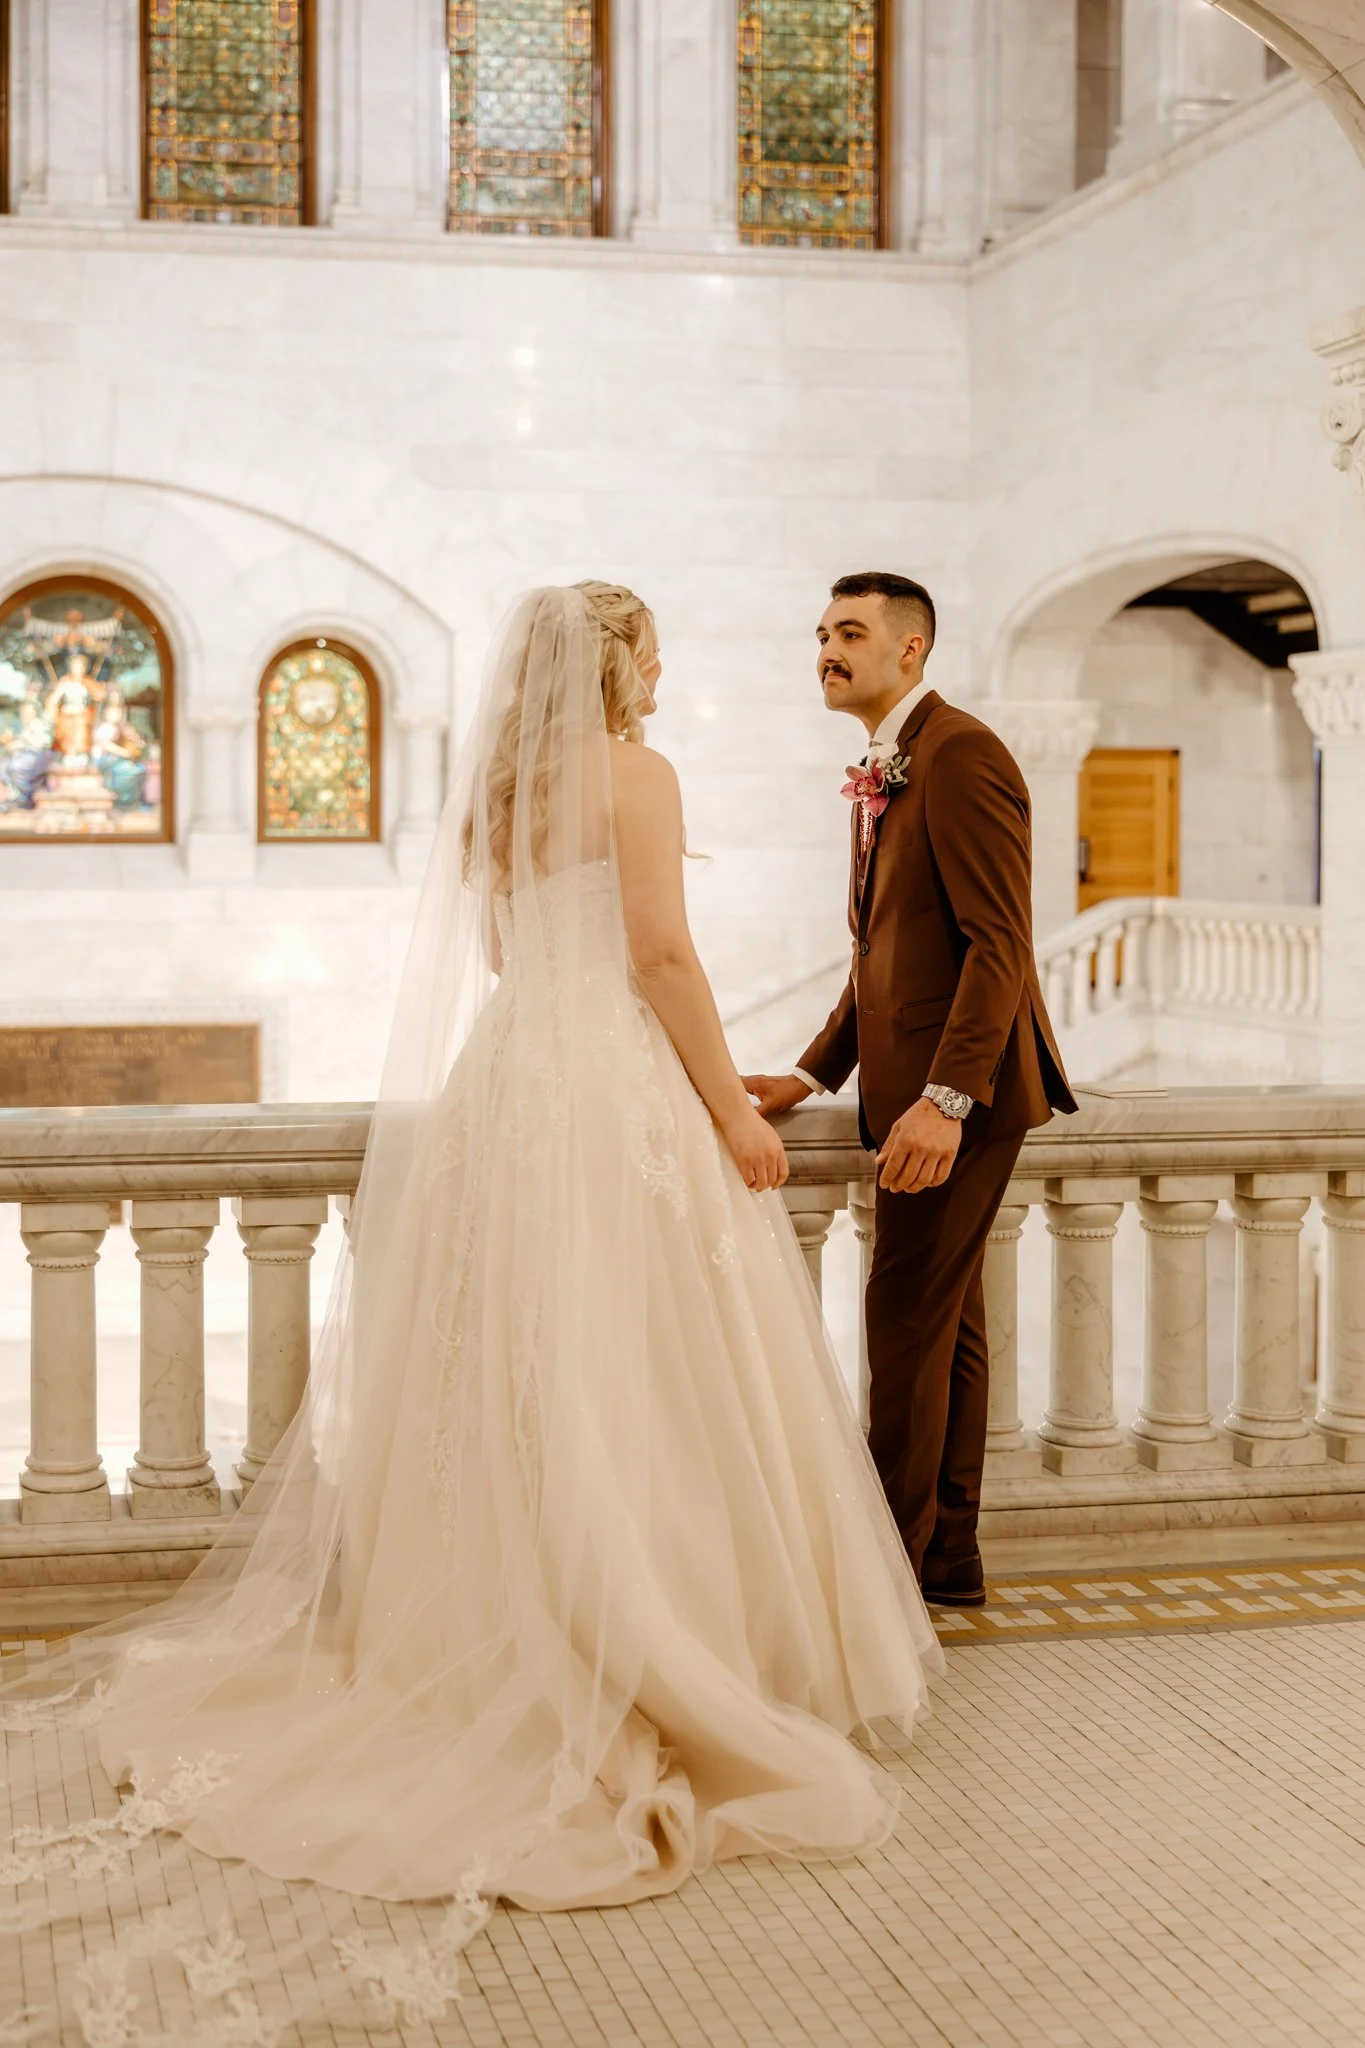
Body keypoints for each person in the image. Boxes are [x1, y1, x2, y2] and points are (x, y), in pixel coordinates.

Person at [1, 585, 940, 1982]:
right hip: (606, 1082)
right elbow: (662, 956)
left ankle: (486, 1627)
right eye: (654, 649)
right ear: (614, 667)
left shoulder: (500, 790)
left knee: (501, 1365)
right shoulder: (635, 772)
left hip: (508, 1082)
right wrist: (736, 1112)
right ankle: (645, 1640)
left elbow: (508, 954)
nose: (667, 669)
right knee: (631, 1368)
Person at [745, 572, 1076, 1610]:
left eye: (850, 632)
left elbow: (998, 945)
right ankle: (944, 1557)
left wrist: (947, 1100)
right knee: (945, 1327)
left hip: (957, 1101)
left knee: (900, 1319)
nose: (827, 649)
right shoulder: (896, 759)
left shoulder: (960, 751)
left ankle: (881, 1571)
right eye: (822, 631)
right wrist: (811, 1071)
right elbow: (884, 954)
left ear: (912, 648)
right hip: (915, 1090)